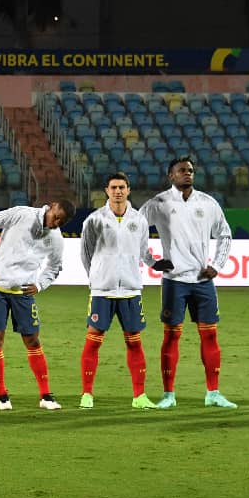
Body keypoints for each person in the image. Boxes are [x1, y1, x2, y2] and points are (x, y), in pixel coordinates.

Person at [140, 156, 236, 409]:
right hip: (174, 281)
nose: (187, 174)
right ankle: (168, 395)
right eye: (182, 170)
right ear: (171, 175)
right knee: (171, 337)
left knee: (210, 336)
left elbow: (225, 235)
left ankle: (213, 393)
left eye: (191, 170)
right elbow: (135, 229)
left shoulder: (208, 203)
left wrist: (217, 265)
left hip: (202, 281)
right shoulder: (159, 203)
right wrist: (151, 261)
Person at [0, 198, 76, 410]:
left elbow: (55, 267)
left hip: (23, 294)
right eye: (56, 217)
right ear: (52, 206)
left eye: (61, 222)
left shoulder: (55, 239)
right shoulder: (21, 214)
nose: (56, 223)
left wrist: (39, 285)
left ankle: (46, 396)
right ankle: (2, 397)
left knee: (33, 342)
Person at [79, 172, 168, 410]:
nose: (118, 191)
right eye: (113, 187)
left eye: (122, 187)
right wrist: (97, 277)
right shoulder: (94, 220)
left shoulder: (138, 220)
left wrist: (153, 264)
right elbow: (86, 253)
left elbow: (142, 250)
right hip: (102, 290)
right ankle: (87, 394)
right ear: (106, 191)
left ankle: (139, 396)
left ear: (128, 190)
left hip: (130, 289)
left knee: (134, 343)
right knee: (93, 342)